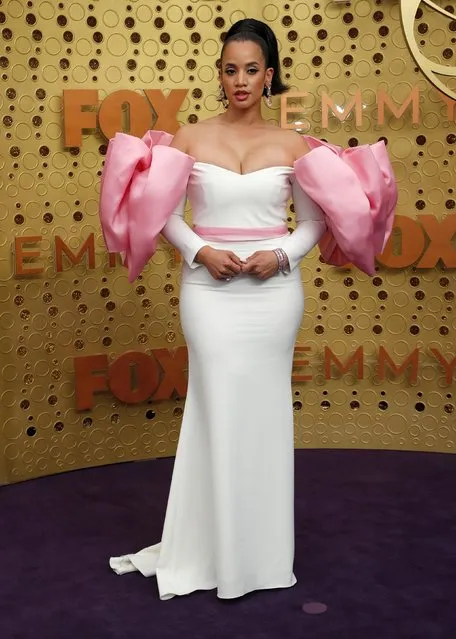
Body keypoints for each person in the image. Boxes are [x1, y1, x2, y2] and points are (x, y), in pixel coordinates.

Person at [100, 18, 396, 600]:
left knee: (264, 417)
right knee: (215, 411)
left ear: (269, 75)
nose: (240, 80)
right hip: (207, 293)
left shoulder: (294, 146)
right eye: (230, 69)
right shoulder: (188, 137)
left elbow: (314, 221)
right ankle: (208, 551)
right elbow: (162, 214)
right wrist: (200, 251)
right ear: (220, 73)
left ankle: (259, 558)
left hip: (273, 298)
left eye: (251, 69)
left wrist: (281, 256)